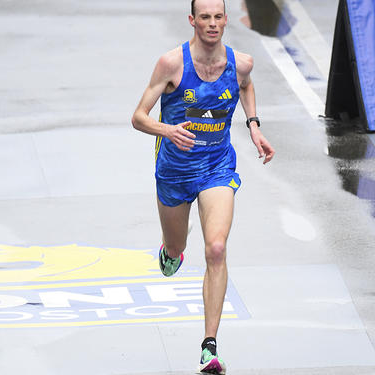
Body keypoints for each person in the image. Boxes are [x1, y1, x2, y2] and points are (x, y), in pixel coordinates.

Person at [131, 0, 274, 373]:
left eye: (218, 17)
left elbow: (245, 86)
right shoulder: (171, 64)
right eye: (205, 17)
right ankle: (171, 250)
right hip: (175, 170)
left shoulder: (241, 62)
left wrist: (254, 126)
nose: (212, 24)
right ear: (193, 21)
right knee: (178, 251)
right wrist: (168, 129)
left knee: (215, 247)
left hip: (217, 167)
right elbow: (138, 117)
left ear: (226, 20)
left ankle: (209, 346)